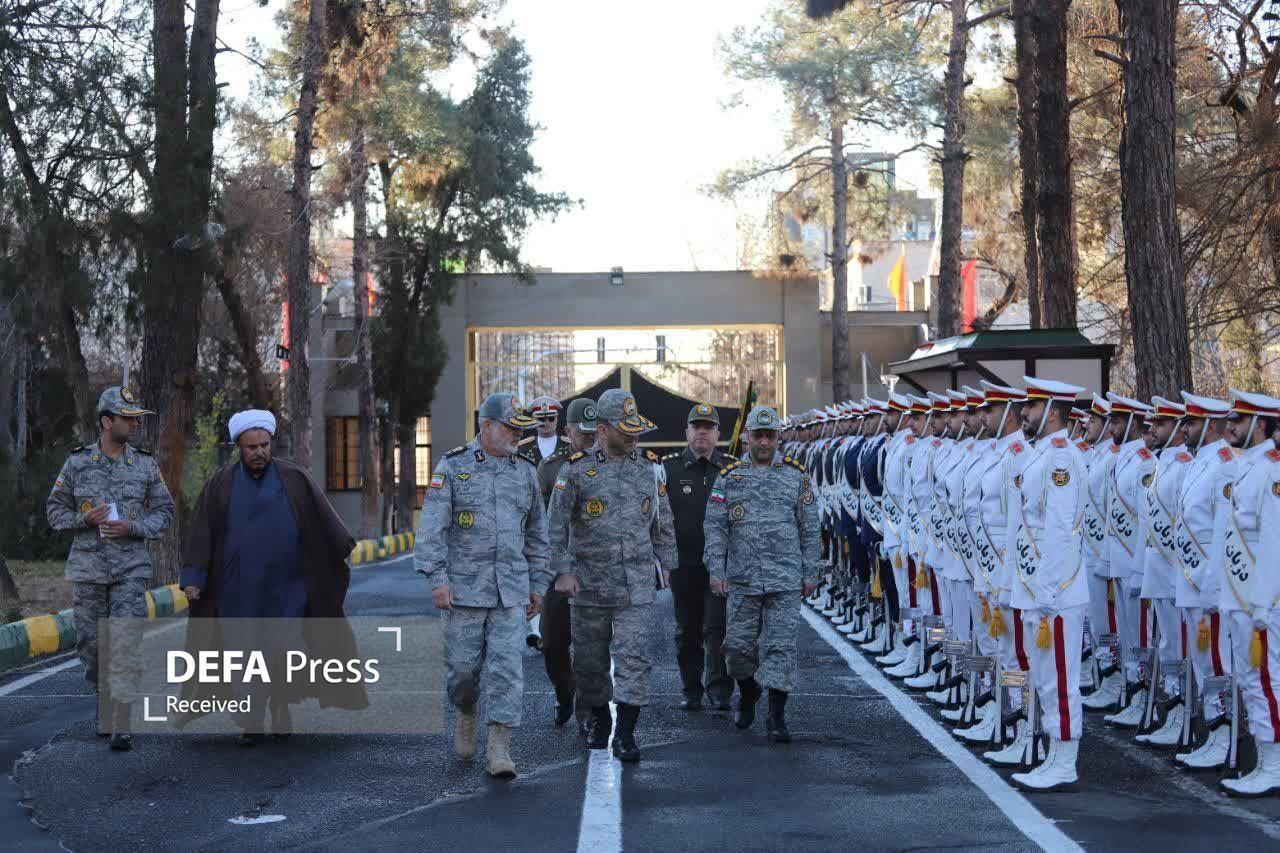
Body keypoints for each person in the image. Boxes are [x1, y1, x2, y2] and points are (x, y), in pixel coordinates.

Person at [180, 409, 366, 745]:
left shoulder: (294, 479)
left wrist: (339, 548)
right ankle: (251, 720)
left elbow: (323, 519)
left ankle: (281, 706)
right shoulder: (220, 485)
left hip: (289, 588)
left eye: (264, 445)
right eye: (252, 447)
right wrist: (194, 577)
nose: (260, 452)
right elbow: (202, 533)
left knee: (285, 651)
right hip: (238, 591)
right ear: (239, 446)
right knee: (243, 656)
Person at [415, 393, 549, 778]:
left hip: (511, 593)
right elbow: (431, 529)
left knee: (508, 671)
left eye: (520, 429)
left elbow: (539, 536)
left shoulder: (525, 472)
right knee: (462, 673)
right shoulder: (454, 467)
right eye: (510, 427)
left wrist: (538, 585)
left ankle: (500, 748)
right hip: (464, 593)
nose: (516, 435)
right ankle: (466, 710)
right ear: (486, 426)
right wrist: (438, 580)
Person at [547, 389, 677, 762]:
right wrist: (562, 572)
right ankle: (600, 718)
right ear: (602, 430)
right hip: (588, 584)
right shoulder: (574, 471)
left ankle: (626, 732)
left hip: (636, 582)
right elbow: (555, 527)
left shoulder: (650, 469)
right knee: (589, 661)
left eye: (636, 428)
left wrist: (667, 563)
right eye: (625, 428)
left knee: (634, 656)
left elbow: (663, 519)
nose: (634, 435)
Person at [46, 386, 175, 751]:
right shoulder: (77, 463)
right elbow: (54, 511)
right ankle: (106, 699)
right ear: (106, 421)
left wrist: (134, 527)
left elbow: (164, 512)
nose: (134, 424)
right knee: (91, 648)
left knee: (126, 644)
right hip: (87, 571)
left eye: (136, 418)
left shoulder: (146, 465)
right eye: (127, 418)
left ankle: (122, 719)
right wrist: (83, 518)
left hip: (130, 570)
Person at [704, 405, 820, 743]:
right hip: (742, 578)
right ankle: (748, 689)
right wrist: (717, 569)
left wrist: (811, 571)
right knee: (738, 649)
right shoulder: (729, 477)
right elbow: (715, 528)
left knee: (780, 647)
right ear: (746, 437)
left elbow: (810, 528)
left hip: (785, 578)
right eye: (759, 435)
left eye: (771, 435)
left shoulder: (796, 476)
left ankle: (776, 716)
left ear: (778, 437)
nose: (765, 442)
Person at [1007, 377, 1088, 792]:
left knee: (1059, 676)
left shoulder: (1061, 459)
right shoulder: (1041, 455)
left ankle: (1066, 759)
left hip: (1055, 591)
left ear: (1052, 411)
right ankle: (1054, 753)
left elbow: (1059, 530)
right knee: (1042, 677)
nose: (1024, 412)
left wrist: (1048, 590)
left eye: (1031, 407)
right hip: (1036, 587)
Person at [1218, 389, 1280, 796]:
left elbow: (1273, 540)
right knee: (1248, 677)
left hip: (1262, 598)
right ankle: (1264, 759)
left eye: (1237, 421)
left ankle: (1273, 765)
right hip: (1241, 593)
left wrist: (1261, 602)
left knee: (1266, 679)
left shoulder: (1272, 470)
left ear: (1259, 425)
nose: (1229, 428)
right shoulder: (1249, 466)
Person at [1172, 392, 1235, 769]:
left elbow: (1223, 529)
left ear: (1210, 425)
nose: (1185, 430)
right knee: (1202, 661)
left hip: (1209, 579)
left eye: (1191, 424)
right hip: (1190, 576)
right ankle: (1213, 731)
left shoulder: (1224, 463)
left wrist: (1212, 587)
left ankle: (1224, 733)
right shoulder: (1201, 461)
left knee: (1215, 660)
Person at [662, 402, 735, 712]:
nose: (702, 432)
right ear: (687, 432)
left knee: (717, 628)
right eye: (696, 427)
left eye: (708, 427)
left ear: (718, 433)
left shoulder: (732, 469)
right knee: (687, 630)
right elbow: (660, 517)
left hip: (721, 565)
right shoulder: (669, 468)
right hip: (684, 563)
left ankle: (719, 689)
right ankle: (691, 689)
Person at [535, 397, 597, 728]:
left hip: (595, 569)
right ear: (568, 431)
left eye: (593, 432)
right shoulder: (550, 467)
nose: (589, 438)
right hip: (558, 567)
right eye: (582, 432)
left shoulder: (610, 464)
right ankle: (564, 690)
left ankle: (588, 715)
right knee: (553, 643)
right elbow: (539, 521)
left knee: (590, 647)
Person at [520, 396, 569, 464]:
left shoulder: (569, 445)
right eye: (541, 419)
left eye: (551, 418)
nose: (546, 423)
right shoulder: (523, 447)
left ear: (557, 419)